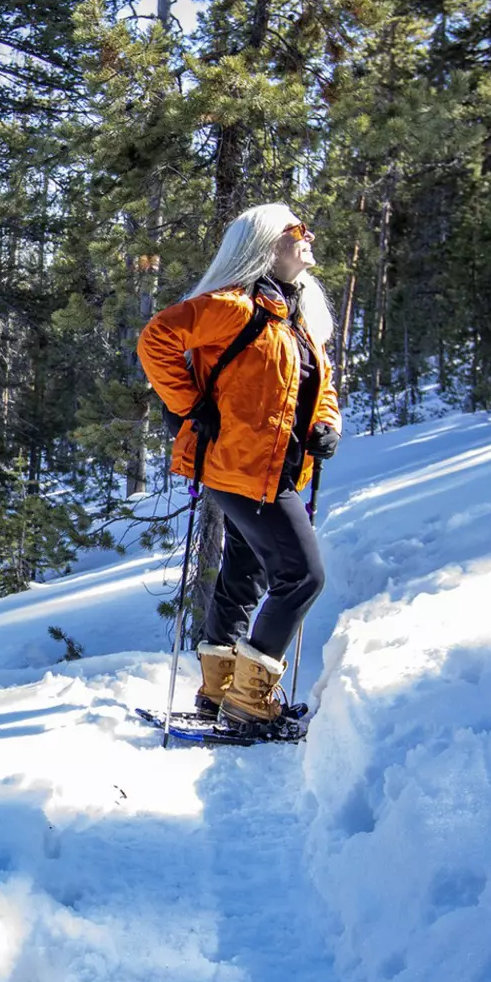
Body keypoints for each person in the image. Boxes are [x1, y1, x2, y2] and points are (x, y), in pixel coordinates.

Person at [137, 203, 341, 727]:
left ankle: (217, 691)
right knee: (302, 576)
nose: (309, 235)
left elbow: (321, 386)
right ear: (269, 242)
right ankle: (252, 703)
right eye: (298, 230)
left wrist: (326, 423)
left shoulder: (297, 316)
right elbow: (156, 337)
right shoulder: (234, 307)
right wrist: (190, 404)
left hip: (275, 467)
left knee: (245, 573)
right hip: (241, 466)